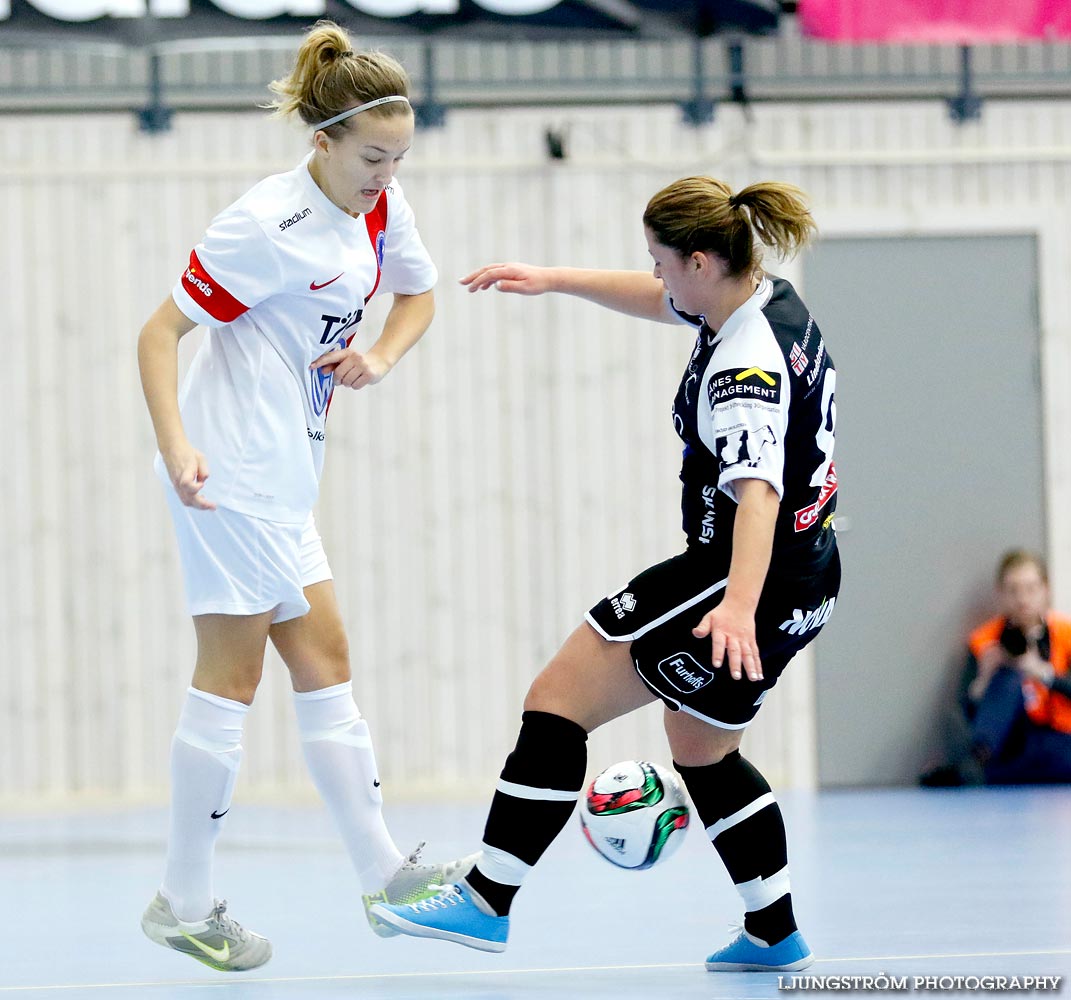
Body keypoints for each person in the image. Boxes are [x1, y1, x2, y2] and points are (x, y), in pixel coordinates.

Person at [372, 176, 841, 972]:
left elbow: (756, 491)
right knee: (699, 749)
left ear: (699, 260)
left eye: (660, 261)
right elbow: (665, 304)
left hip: (736, 574)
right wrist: (554, 279)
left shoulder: (746, 365)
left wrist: (733, 607)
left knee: (556, 700)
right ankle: (773, 931)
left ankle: (486, 900)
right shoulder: (758, 298)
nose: (654, 276)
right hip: (806, 575)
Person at [136, 21, 474, 972]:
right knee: (232, 682)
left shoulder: (377, 207)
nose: (387, 174)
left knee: (326, 659)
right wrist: (178, 450)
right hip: (230, 474)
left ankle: (382, 873)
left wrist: (378, 356)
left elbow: (418, 297)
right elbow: (157, 335)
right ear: (321, 141)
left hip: (288, 474)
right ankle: (185, 901)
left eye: (400, 157)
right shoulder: (263, 227)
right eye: (373, 156)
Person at [920, 550, 1071, 787]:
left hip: (1059, 737)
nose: (1023, 599)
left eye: (1031, 589)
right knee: (1007, 678)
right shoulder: (984, 641)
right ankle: (977, 764)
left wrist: (1044, 673)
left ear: (1045, 590)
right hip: (1009, 742)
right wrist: (984, 679)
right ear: (1001, 594)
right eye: (1014, 590)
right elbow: (963, 710)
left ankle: (974, 774)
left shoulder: (1066, 634)